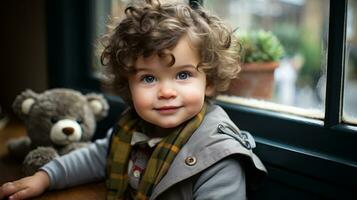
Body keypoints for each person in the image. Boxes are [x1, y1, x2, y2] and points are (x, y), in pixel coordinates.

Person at [0, 1, 267, 199]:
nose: (166, 91)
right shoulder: (131, 127)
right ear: (127, 82)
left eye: (183, 74)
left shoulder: (219, 158)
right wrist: (46, 177)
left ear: (208, 82)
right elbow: (96, 157)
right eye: (149, 79)